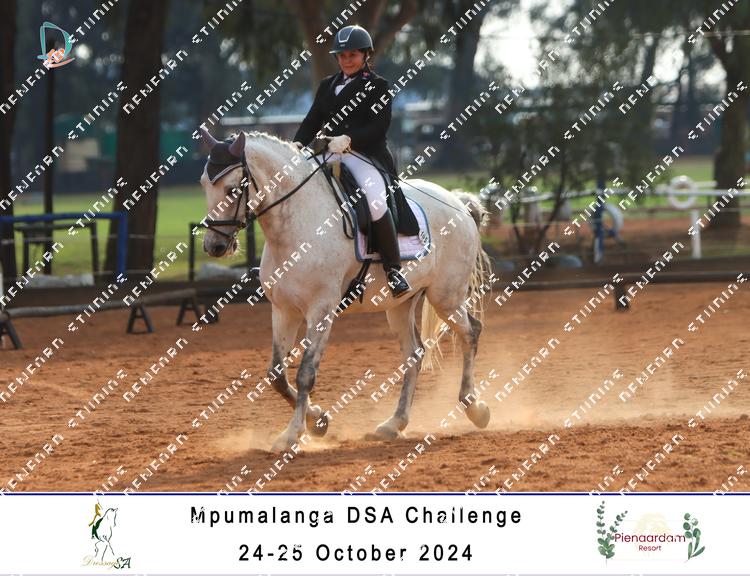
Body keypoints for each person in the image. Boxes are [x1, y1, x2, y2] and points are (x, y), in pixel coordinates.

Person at [292, 24, 415, 299]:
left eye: (353, 55)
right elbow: (312, 120)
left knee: (375, 200)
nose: (347, 60)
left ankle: (394, 270)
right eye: (342, 55)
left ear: (365, 55)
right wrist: (297, 144)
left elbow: (379, 127)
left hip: (364, 155)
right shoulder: (327, 85)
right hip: (328, 151)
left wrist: (349, 139)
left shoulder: (378, 85)